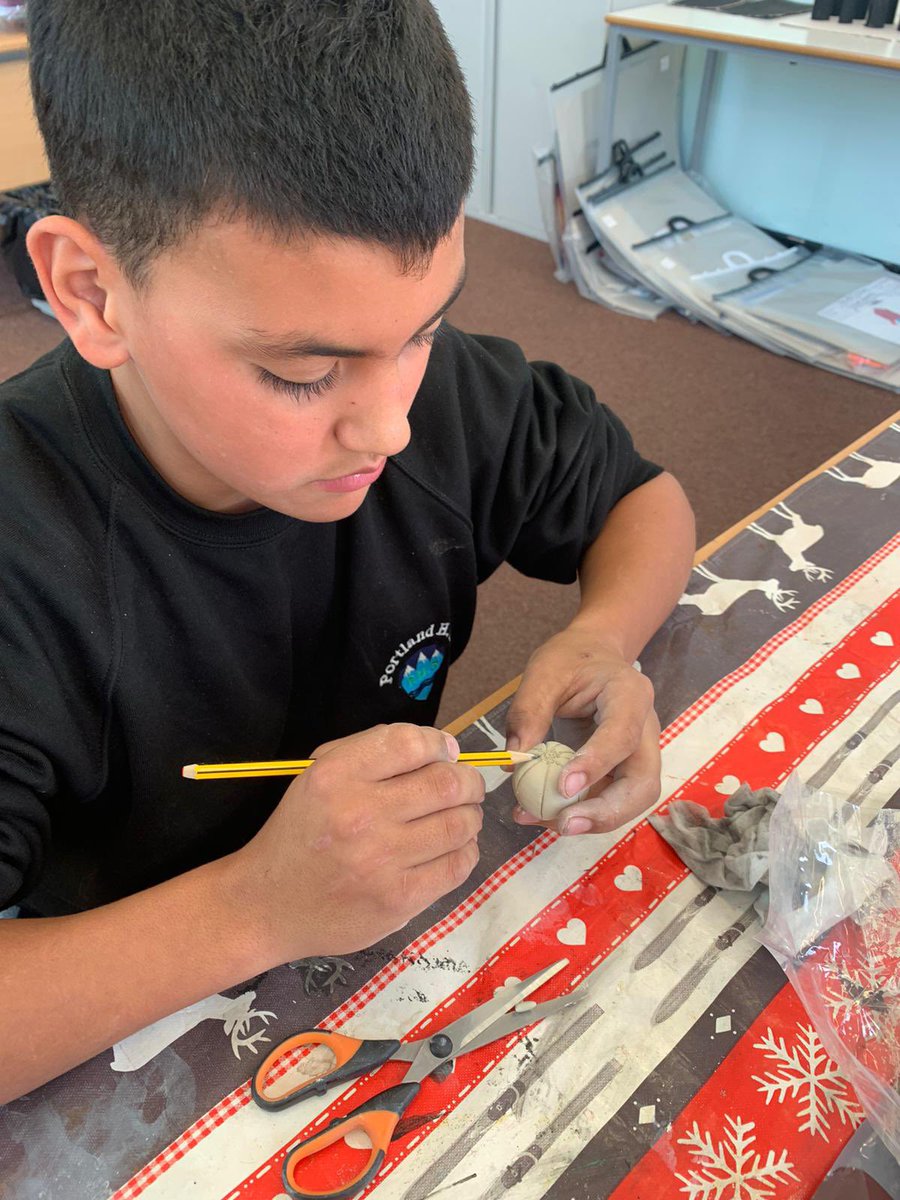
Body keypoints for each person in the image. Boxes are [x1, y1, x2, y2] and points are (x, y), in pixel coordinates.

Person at [0, 0, 695, 1103]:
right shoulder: (25, 558)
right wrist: (253, 906)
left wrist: (607, 638)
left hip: (373, 959)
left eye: (421, 329)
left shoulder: (439, 395)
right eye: (300, 375)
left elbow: (643, 499)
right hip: (116, 1029)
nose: (388, 428)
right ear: (91, 293)